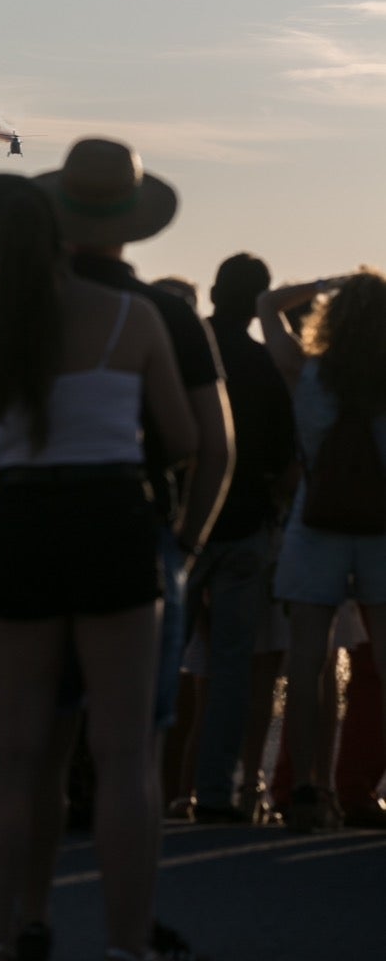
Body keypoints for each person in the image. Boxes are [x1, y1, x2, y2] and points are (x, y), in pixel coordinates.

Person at [0, 180, 196, 961]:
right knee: (124, 753)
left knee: (17, 751)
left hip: (25, 522)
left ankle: (3, 936)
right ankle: (128, 942)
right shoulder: (132, 317)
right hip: (112, 518)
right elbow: (183, 437)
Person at [257, 269, 386, 832]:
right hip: (382, 531)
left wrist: (325, 282)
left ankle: (307, 789)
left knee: (308, 661)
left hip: (316, 528)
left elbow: (267, 303)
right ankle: (368, 787)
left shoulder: (306, 373)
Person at [183, 254, 295, 822]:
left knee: (157, 659)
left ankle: (134, 777)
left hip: (183, 523)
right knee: (232, 668)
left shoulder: (188, 348)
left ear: (213, 290)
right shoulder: (263, 363)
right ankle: (216, 791)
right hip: (247, 524)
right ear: (257, 302)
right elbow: (283, 456)